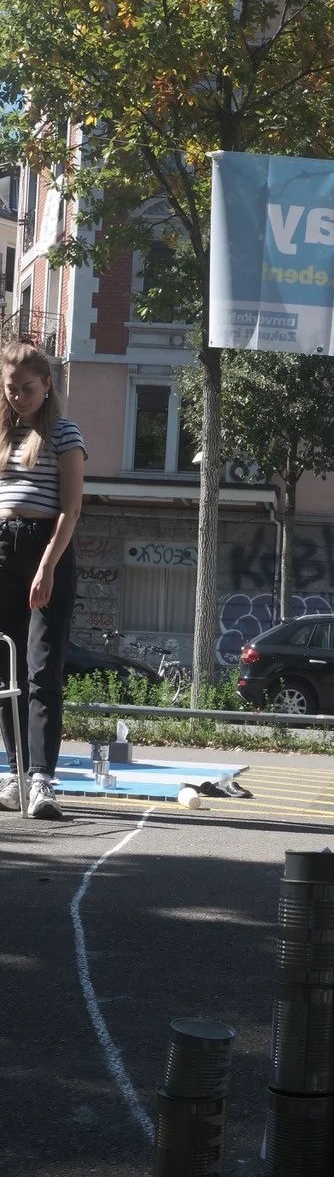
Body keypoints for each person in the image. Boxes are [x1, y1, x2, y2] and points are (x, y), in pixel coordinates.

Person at [0, 341, 86, 820]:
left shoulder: (63, 433)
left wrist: (47, 566)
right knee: (6, 670)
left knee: (42, 667)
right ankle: (13, 774)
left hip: (45, 547)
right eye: (10, 389)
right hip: (1, 547)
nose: (18, 397)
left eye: (27, 389)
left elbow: (71, 508)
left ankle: (42, 781)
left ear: (47, 385)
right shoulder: (2, 433)